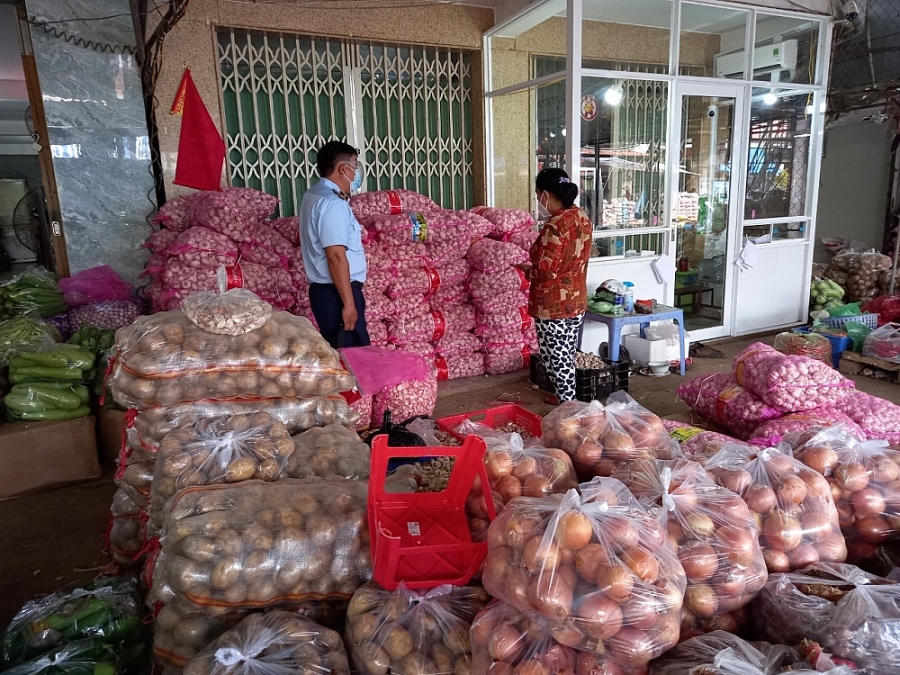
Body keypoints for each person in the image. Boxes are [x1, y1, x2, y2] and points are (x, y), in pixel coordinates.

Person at [526, 168, 593, 404]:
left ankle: (569, 409)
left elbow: (546, 271)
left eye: (537, 195)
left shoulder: (554, 226)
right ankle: (565, 398)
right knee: (566, 354)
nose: (538, 200)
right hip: (575, 299)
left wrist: (526, 271)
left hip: (552, 305)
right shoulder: (580, 216)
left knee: (556, 357)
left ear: (546, 194)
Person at [299, 141, 370, 349]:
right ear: (343, 168)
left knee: (341, 355)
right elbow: (336, 256)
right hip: (337, 293)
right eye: (355, 166)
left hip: (327, 292)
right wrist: (349, 304)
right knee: (352, 357)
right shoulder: (333, 203)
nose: (356, 172)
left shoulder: (312, 195)